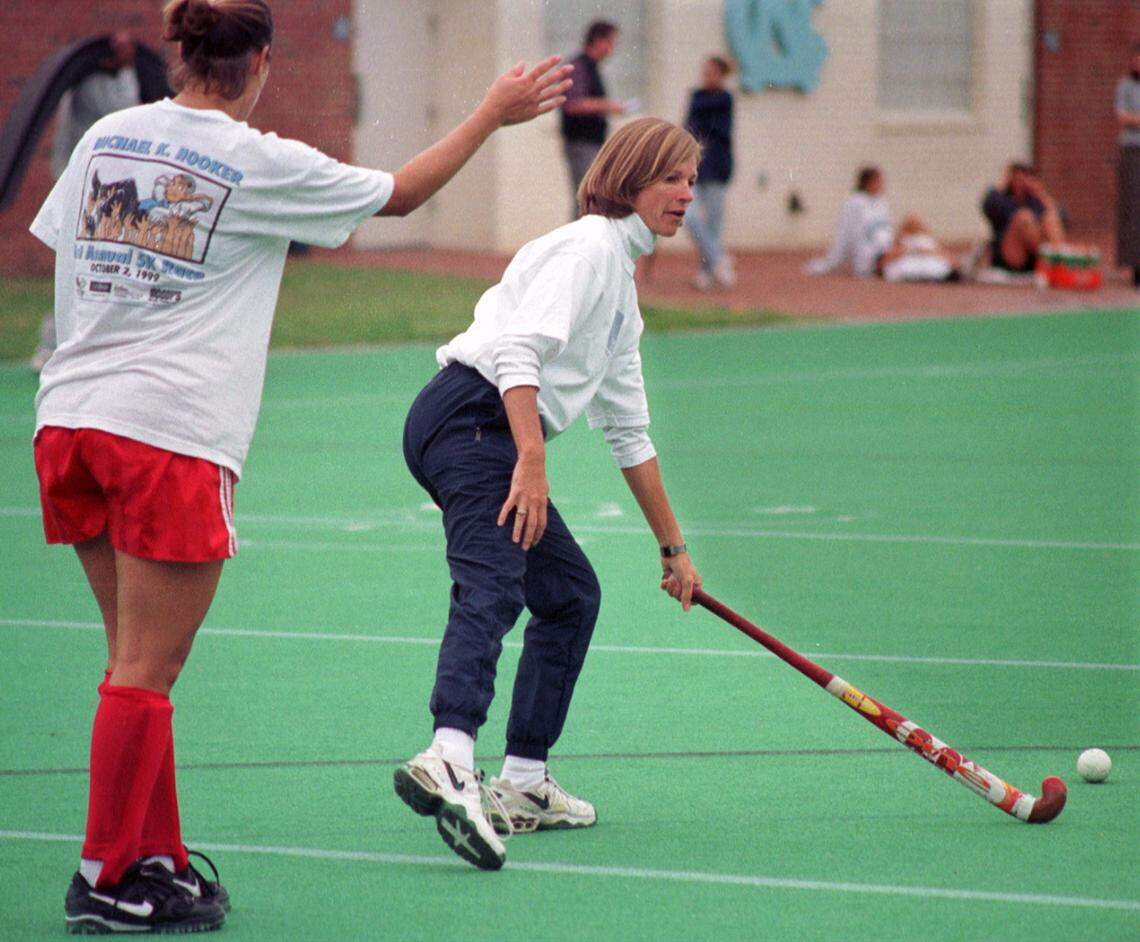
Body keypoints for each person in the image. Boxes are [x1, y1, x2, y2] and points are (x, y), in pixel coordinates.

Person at [30, 0, 569, 932]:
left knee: (134, 665)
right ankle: (106, 874)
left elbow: (63, 251)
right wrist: (491, 111)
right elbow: (398, 194)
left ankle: (151, 855)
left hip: (68, 421)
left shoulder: (111, 134)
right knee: (145, 670)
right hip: (167, 433)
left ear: (180, 51)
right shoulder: (257, 158)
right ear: (264, 62)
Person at [395, 117, 703, 871]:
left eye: (693, 180)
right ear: (631, 179)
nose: (687, 195)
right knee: (494, 581)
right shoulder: (589, 248)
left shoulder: (621, 295)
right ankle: (448, 755)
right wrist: (531, 454)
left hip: (491, 427)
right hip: (472, 416)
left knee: (568, 595)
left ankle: (524, 781)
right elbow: (514, 350)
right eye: (673, 178)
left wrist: (674, 549)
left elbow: (630, 434)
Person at [31, 32, 141, 371]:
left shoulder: (83, 87)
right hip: (88, 195)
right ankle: (52, 345)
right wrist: (127, 71)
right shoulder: (92, 90)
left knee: (97, 272)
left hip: (98, 194)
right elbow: (125, 110)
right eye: (120, 51)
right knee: (82, 272)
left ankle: (73, 344)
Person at [560, 20, 624, 218]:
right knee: (587, 198)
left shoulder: (592, 68)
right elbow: (572, 104)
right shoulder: (579, 66)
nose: (612, 48)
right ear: (598, 40)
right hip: (581, 142)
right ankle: (573, 247)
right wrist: (606, 105)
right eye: (611, 42)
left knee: (589, 198)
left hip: (592, 142)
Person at [683, 55, 735, 290]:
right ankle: (718, 260)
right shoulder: (697, 96)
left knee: (714, 224)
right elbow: (688, 127)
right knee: (689, 216)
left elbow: (717, 130)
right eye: (705, 72)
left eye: (712, 72)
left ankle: (707, 272)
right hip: (695, 168)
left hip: (717, 168)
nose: (706, 76)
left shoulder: (725, 98)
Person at [804, 166, 892, 277]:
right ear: (868, 182)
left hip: (886, 251)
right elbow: (844, 234)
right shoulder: (854, 203)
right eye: (879, 181)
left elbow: (886, 232)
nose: (882, 184)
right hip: (868, 257)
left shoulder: (881, 203)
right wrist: (832, 262)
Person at [980, 162, 1066, 273]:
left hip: (1034, 254)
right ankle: (1054, 261)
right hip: (1012, 255)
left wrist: (1040, 192)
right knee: (1024, 217)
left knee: (1051, 217)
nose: (1019, 183)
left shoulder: (1035, 200)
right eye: (1016, 179)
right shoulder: (1000, 198)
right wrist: (1002, 183)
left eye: (1023, 178)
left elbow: (1062, 218)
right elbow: (988, 206)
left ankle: (1059, 262)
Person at [1116, 42, 1140, 288]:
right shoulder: (1125, 86)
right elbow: (1122, 117)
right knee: (1133, 209)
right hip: (1132, 150)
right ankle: (1135, 266)